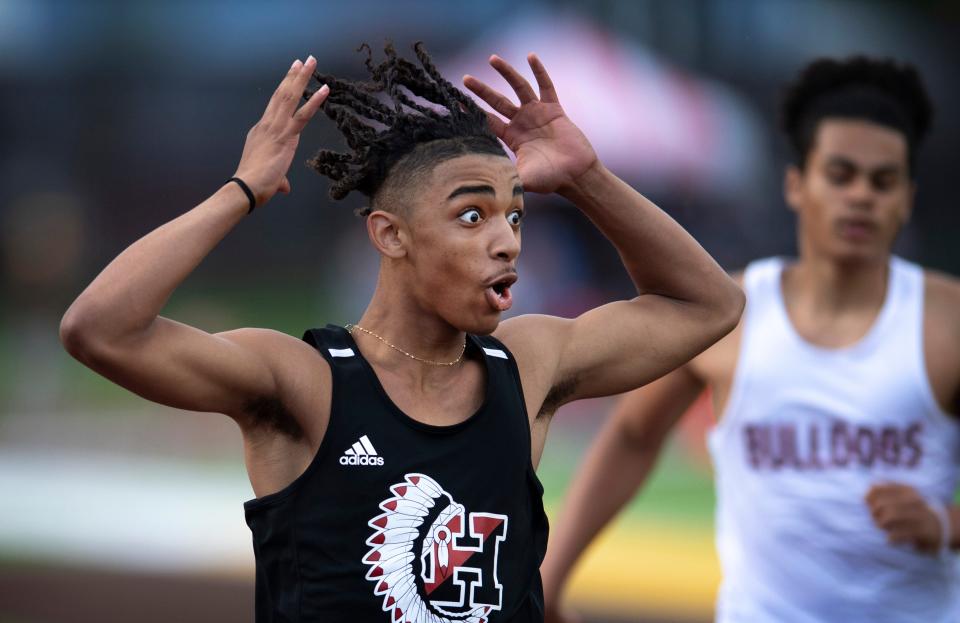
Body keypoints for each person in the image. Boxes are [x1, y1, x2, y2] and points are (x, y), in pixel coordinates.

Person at [59, 42, 742, 622]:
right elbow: (99, 329)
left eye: (515, 215)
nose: (506, 240)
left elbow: (706, 305)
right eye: (473, 216)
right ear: (390, 235)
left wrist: (588, 179)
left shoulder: (527, 366)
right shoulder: (302, 379)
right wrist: (242, 190)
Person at [541, 55, 960, 623]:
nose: (861, 196)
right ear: (796, 184)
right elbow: (634, 437)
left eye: (882, 181)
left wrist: (944, 524)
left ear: (907, 197)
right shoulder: (725, 315)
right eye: (840, 174)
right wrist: (551, 579)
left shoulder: (947, 322)